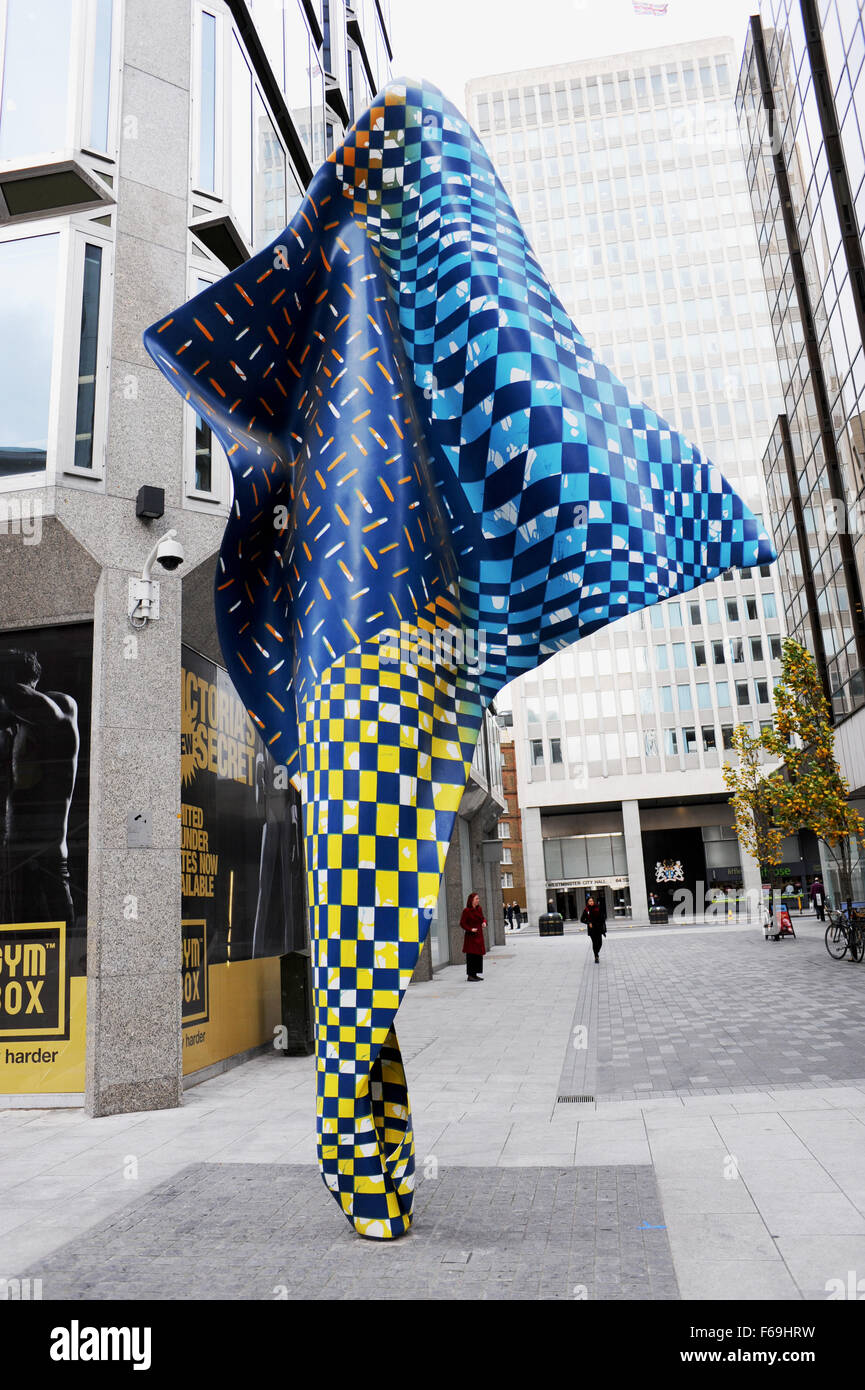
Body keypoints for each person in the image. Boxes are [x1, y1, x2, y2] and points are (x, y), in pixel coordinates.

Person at [461, 892, 487, 980]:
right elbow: (462, 923)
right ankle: (470, 975)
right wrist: (470, 929)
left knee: (478, 955)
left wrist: (484, 922)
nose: (478, 900)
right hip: (471, 937)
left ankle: (475, 974)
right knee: (471, 955)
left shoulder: (479, 909)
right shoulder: (466, 911)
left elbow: (482, 918)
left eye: (478, 899)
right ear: (472, 900)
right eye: (477, 899)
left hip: (479, 935)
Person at [581, 893, 606, 963]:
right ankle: (596, 956)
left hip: (598, 928)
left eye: (592, 901)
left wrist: (603, 928)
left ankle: (596, 952)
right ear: (588, 902)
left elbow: (603, 918)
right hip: (592, 929)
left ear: (594, 901)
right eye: (589, 901)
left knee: (600, 943)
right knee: (594, 943)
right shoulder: (586, 910)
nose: (591, 902)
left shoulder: (598, 908)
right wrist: (588, 923)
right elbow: (582, 919)